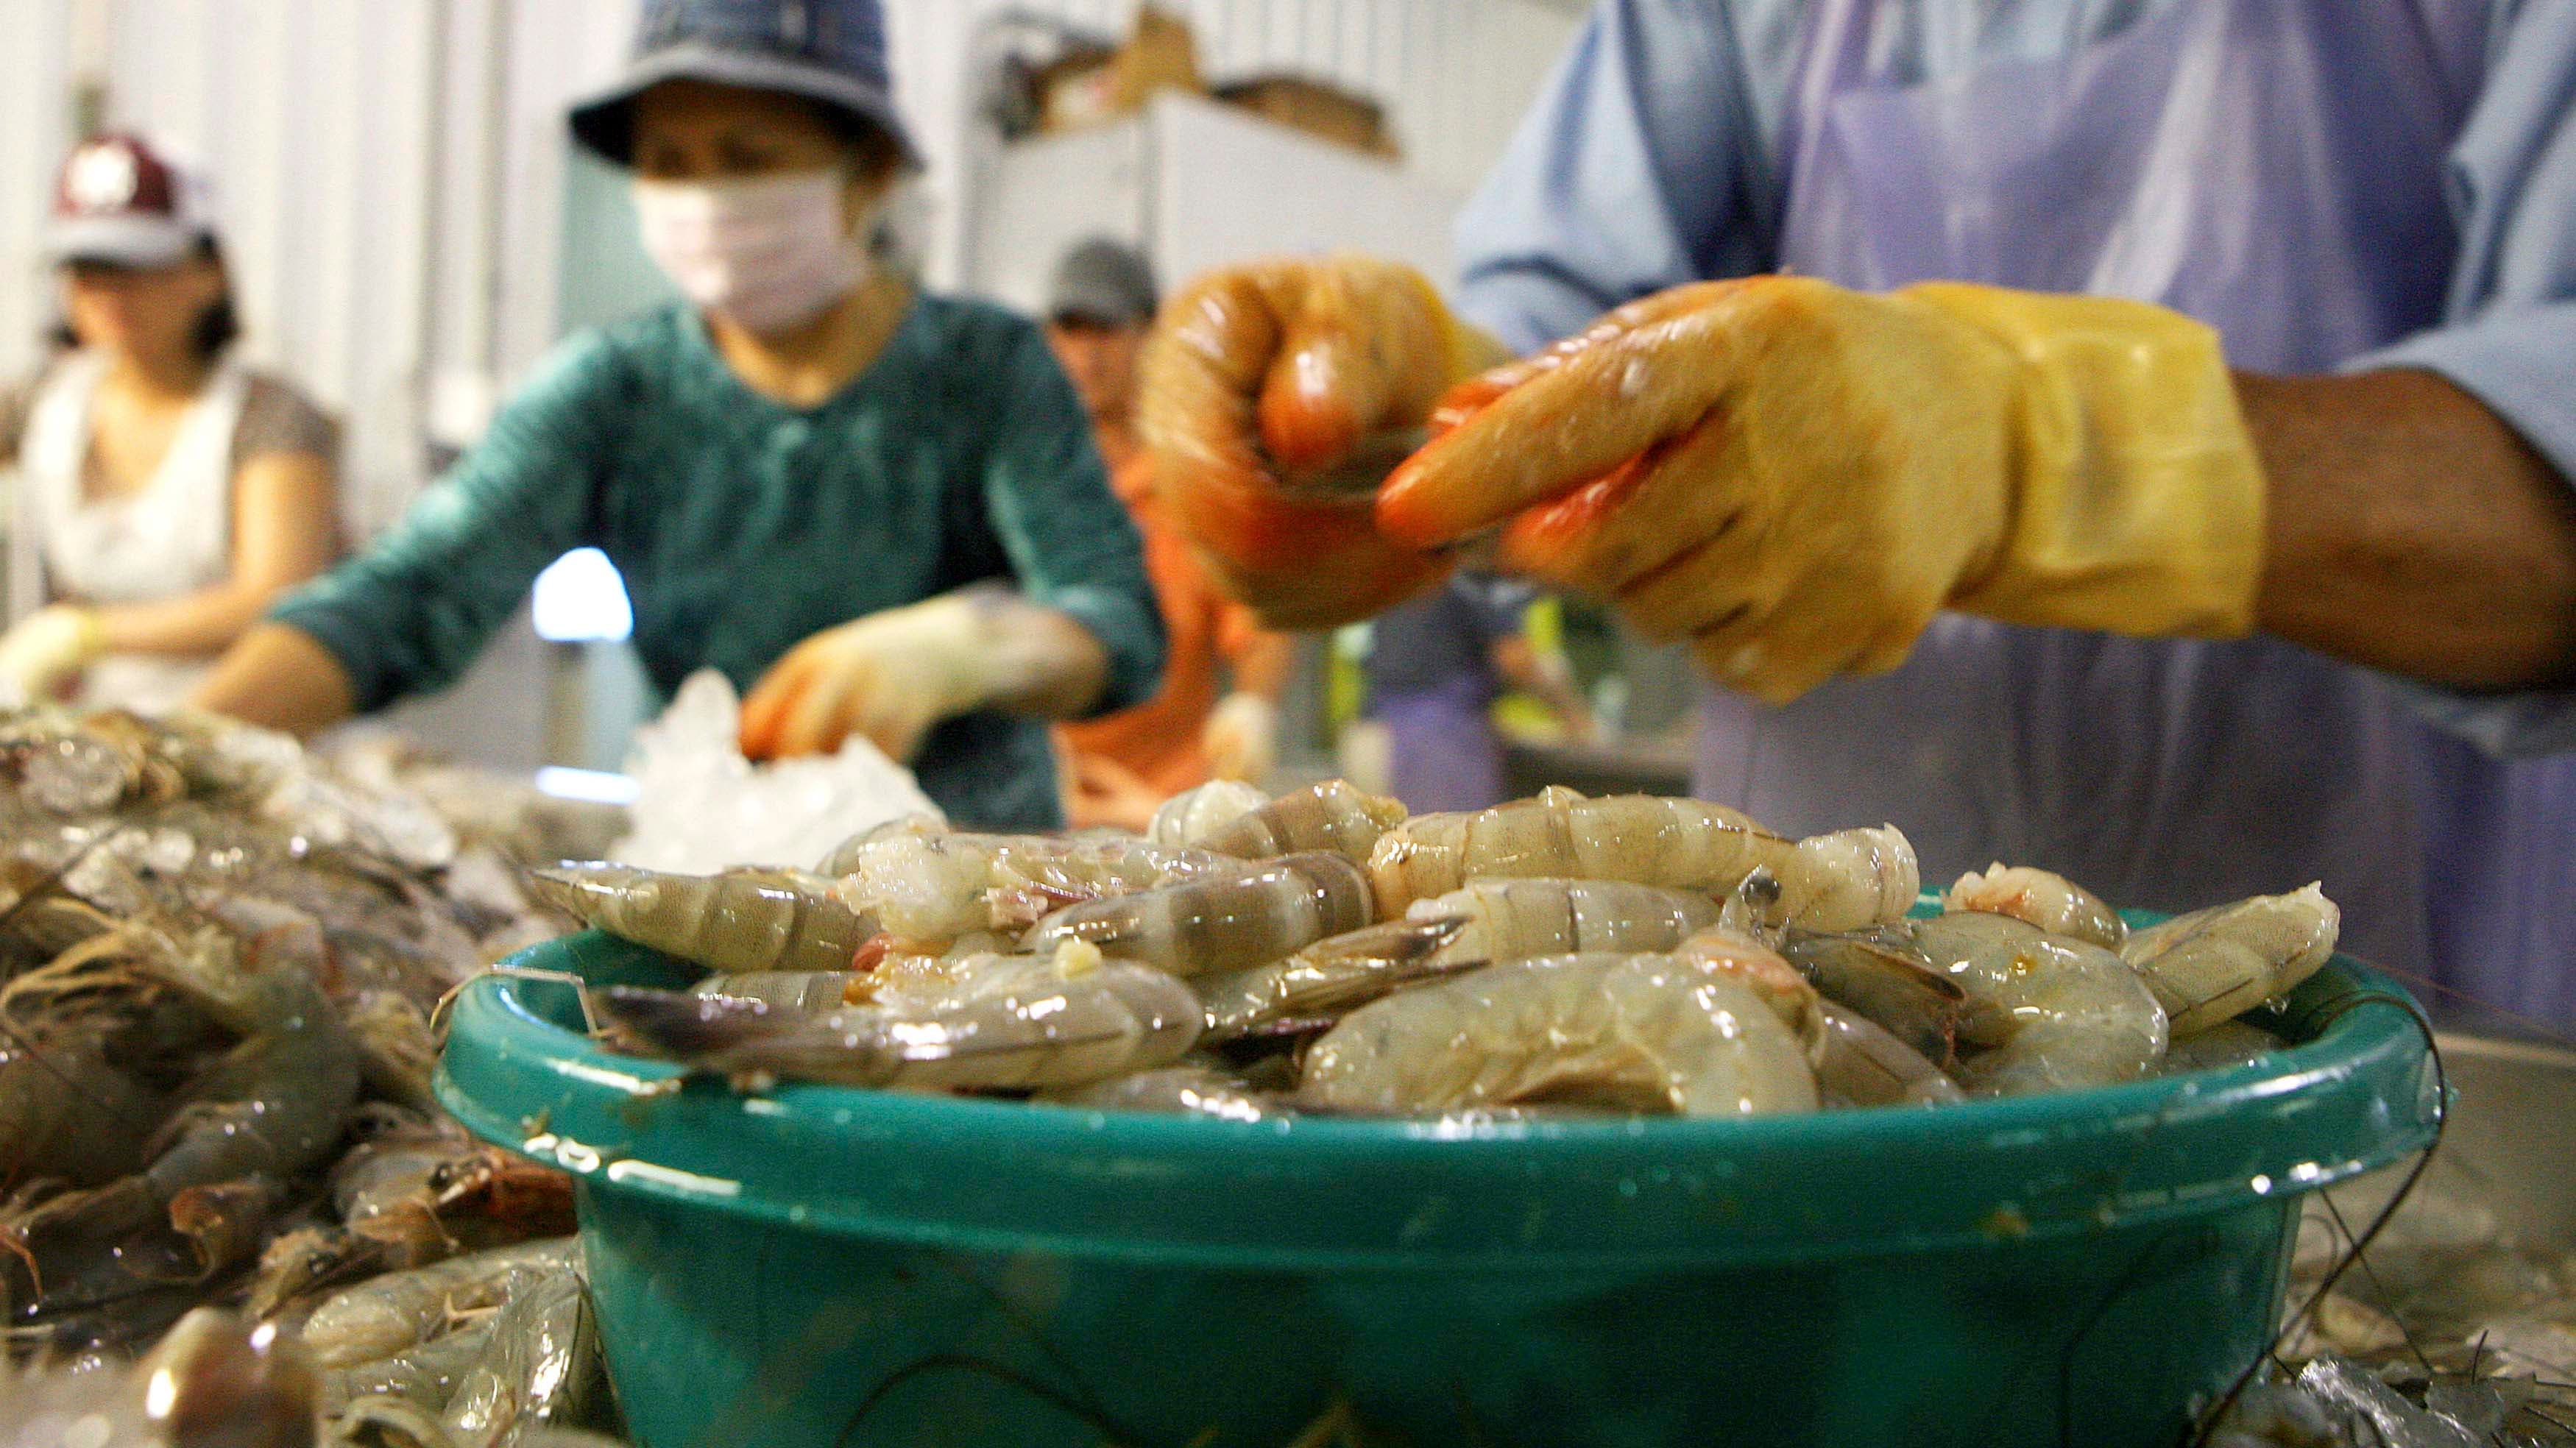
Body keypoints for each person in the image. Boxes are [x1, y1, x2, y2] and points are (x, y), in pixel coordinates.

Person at [1138, 0, 2576, 1020]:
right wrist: (1413, 419)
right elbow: (1571, 318)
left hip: (2403, 1040)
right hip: (1823, 1029)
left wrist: (2055, 450)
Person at [191, 0, 1163, 831]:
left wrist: (970, 648)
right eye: (669, 161)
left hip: (971, 887)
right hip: (720, 873)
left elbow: (1115, 619)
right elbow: (406, 596)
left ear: (867, 172)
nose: (706, 199)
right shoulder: (613, 391)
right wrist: (178, 750)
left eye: (747, 156)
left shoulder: (986, 369)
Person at [0, 133, 339, 714]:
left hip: (240, 718)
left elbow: (274, 596)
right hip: (94, 722)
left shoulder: (270, 418)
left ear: (208, 274)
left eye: (137, 266)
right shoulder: (42, 402)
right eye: (88, 268)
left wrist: (81, 634)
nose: (110, 291)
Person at [1041, 238, 1290, 829]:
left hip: (1158, 812)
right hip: (1037, 803)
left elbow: (1259, 624)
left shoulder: (1189, 488)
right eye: (1070, 331)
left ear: (1149, 335)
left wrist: (1253, 706)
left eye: (1105, 330)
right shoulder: (1027, 482)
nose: (1086, 354)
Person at [1367, 573, 1594, 814]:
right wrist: (1577, 718)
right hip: (1441, 733)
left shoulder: (1428, 569)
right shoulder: (1476, 579)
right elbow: (1516, 660)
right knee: (1447, 838)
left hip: (1390, 721)